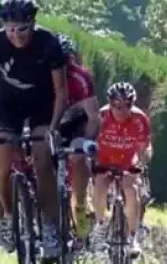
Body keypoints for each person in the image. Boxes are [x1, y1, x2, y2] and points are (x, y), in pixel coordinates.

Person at [0, 0, 68, 257]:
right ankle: (5, 218)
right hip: (8, 106)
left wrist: (53, 127)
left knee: (42, 163)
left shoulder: (48, 42)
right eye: (10, 29)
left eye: (22, 29)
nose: (16, 35)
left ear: (33, 24)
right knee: (0, 165)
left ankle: (49, 225)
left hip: (41, 105)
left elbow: (61, 91)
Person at [90, 82, 153, 255]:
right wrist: (92, 160)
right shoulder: (101, 116)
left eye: (127, 106)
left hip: (128, 162)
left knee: (131, 189)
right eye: (117, 106)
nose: (121, 111)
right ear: (110, 104)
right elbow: (90, 140)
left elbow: (145, 147)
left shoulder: (140, 119)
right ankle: (101, 226)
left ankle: (134, 237)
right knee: (100, 185)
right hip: (105, 159)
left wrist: (142, 162)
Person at [53, 33, 99, 238]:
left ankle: (80, 206)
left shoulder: (81, 77)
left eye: (67, 59)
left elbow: (93, 117)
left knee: (80, 158)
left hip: (76, 126)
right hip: (50, 125)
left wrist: (88, 140)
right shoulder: (40, 75)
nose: (63, 65)